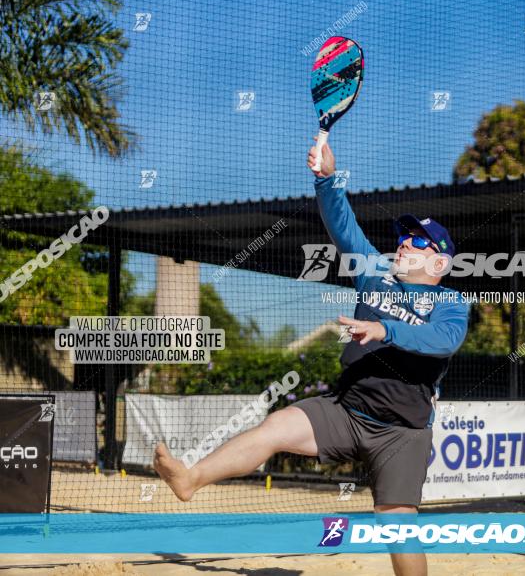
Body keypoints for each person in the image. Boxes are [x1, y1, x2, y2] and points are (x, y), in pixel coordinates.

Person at [153, 140, 470, 576]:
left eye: (415, 240)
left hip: (401, 433)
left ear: (439, 262)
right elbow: (343, 226)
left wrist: (384, 329)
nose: (402, 243)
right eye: (401, 237)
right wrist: (325, 180)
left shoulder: (451, 302)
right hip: (347, 410)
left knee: (396, 523)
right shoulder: (375, 273)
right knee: (273, 428)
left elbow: (445, 340)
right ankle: (189, 480)